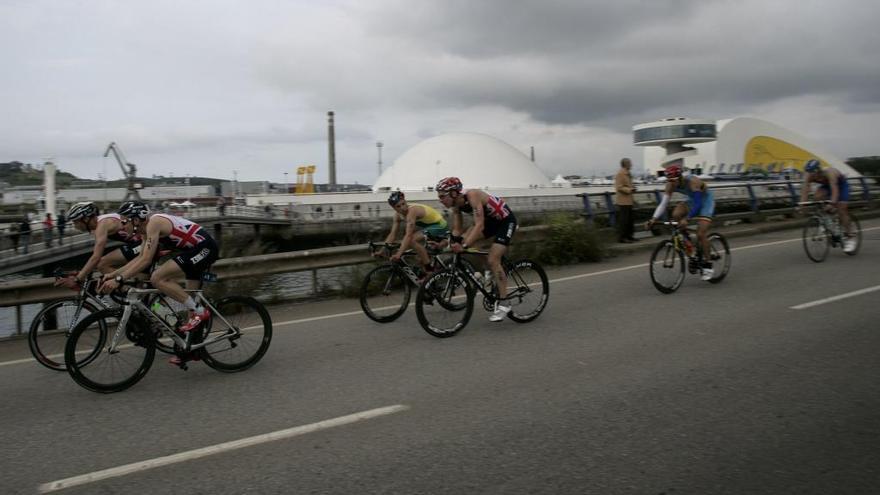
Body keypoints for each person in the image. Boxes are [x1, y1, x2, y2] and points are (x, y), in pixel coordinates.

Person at [100, 201, 219, 348]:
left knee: (157, 277)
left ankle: (200, 311)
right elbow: (139, 258)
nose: (122, 226)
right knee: (190, 301)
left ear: (136, 220)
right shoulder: (144, 231)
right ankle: (191, 348)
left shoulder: (154, 223)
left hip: (205, 248)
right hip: (191, 251)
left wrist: (119, 279)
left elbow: (146, 260)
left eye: (124, 221)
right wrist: (114, 274)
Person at [436, 176, 518, 322]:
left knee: (493, 259)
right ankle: (485, 274)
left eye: (442, 196)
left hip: (505, 221)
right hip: (490, 223)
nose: (440, 200)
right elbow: (457, 229)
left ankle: (505, 303)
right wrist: (449, 243)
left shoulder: (472, 195)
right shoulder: (456, 206)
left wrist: (464, 245)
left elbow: (478, 225)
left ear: (454, 193)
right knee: (467, 239)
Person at [646, 163, 716, 281]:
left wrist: (687, 219)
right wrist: (653, 219)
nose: (671, 183)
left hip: (705, 202)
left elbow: (698, 204)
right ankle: (690, 245)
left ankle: (708, 264)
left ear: (680, 177)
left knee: (701, 233)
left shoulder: (693, 182)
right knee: (676, 214)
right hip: (692, 200)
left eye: (674, 180)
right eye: (669, 180)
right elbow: (663, 204)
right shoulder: (670, 185)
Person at [55, 202, 144, 290]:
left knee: (102, 263)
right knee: (104, 263)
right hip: (137, 242)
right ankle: (136, 283)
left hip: (144, 242)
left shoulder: (102, 225)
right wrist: (81, 272)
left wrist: (78, 279)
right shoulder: (97, 226)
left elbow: (96, 257)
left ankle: (128, 289)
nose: (74, 226)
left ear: (85, 219)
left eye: (75, 222)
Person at [380, 191, 449, 278]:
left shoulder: (412, 211)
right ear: (394, 208)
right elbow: (392, 234)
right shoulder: (397, 216)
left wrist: (398, 254)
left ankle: (430, 270)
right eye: (398, 206)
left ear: (405, 201)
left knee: (411, 240)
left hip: (439, 225)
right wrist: (382, 250)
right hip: (429, 227)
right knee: (419, 258)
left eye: (403, 204)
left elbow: (408, 235)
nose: (403, 208)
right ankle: (431, 283)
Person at [798, 158, 855, 253]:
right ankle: (827, 219)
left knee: (842, 209)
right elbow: (805, 191)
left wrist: (832, 203)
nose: (810, 174)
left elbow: (834, 190)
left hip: (840, 186)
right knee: (817, 197)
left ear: (818, 170)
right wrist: (801, 205)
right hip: (826, 186)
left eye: (812, 172)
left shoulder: (830, 173)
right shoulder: (809, 175)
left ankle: (850, 237)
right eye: (809, 172)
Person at [614, 157, 637, 243]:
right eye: (630, 163)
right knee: (624, 220)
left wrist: (632, 188)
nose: (631, 164)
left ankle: (629, 236)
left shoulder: (628, 173)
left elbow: (627, 185)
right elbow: (619, 187)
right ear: (626, 164)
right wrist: (629, 190)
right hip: (623, 201)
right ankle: (622, 238)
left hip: (629, 200)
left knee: (630, 220)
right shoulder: (620, 174)